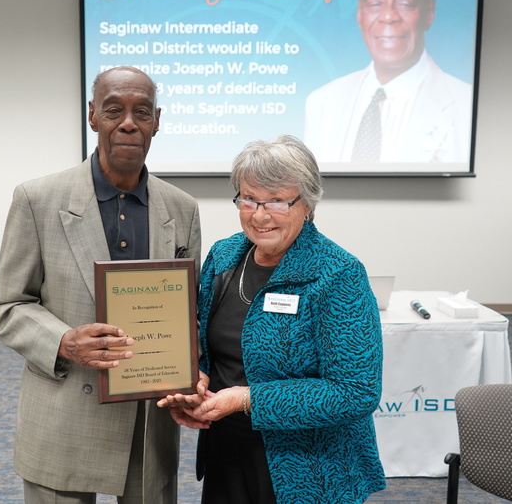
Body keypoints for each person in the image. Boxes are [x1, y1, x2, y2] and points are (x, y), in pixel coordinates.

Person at [0, 66, 202, 504]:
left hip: (148, 418)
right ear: (92, 117)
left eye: (141, 112)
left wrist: (190, 369)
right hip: (65, 413)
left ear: (156, 121)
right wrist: (64, 341)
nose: (128, 122)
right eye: (113, 110)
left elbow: (188, 312)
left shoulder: (182, 209)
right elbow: (11, 306)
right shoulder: (38, 199)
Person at [159, 135, 385, 503]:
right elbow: (205, 343)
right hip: (226, 448)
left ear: (307, 204)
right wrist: (194, 380)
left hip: (307, 464)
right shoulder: (225, 255)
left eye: (278, 200)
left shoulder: (338, 274)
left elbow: (354, 392)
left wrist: (246, 399)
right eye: (248, 198)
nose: (260, 215)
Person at [305, 0, 473, 164]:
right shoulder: (321, 103)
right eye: (376, 3)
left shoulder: (465, 106)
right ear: (360, 12)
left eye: (406, 3)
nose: (388, 16)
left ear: (429, 12)